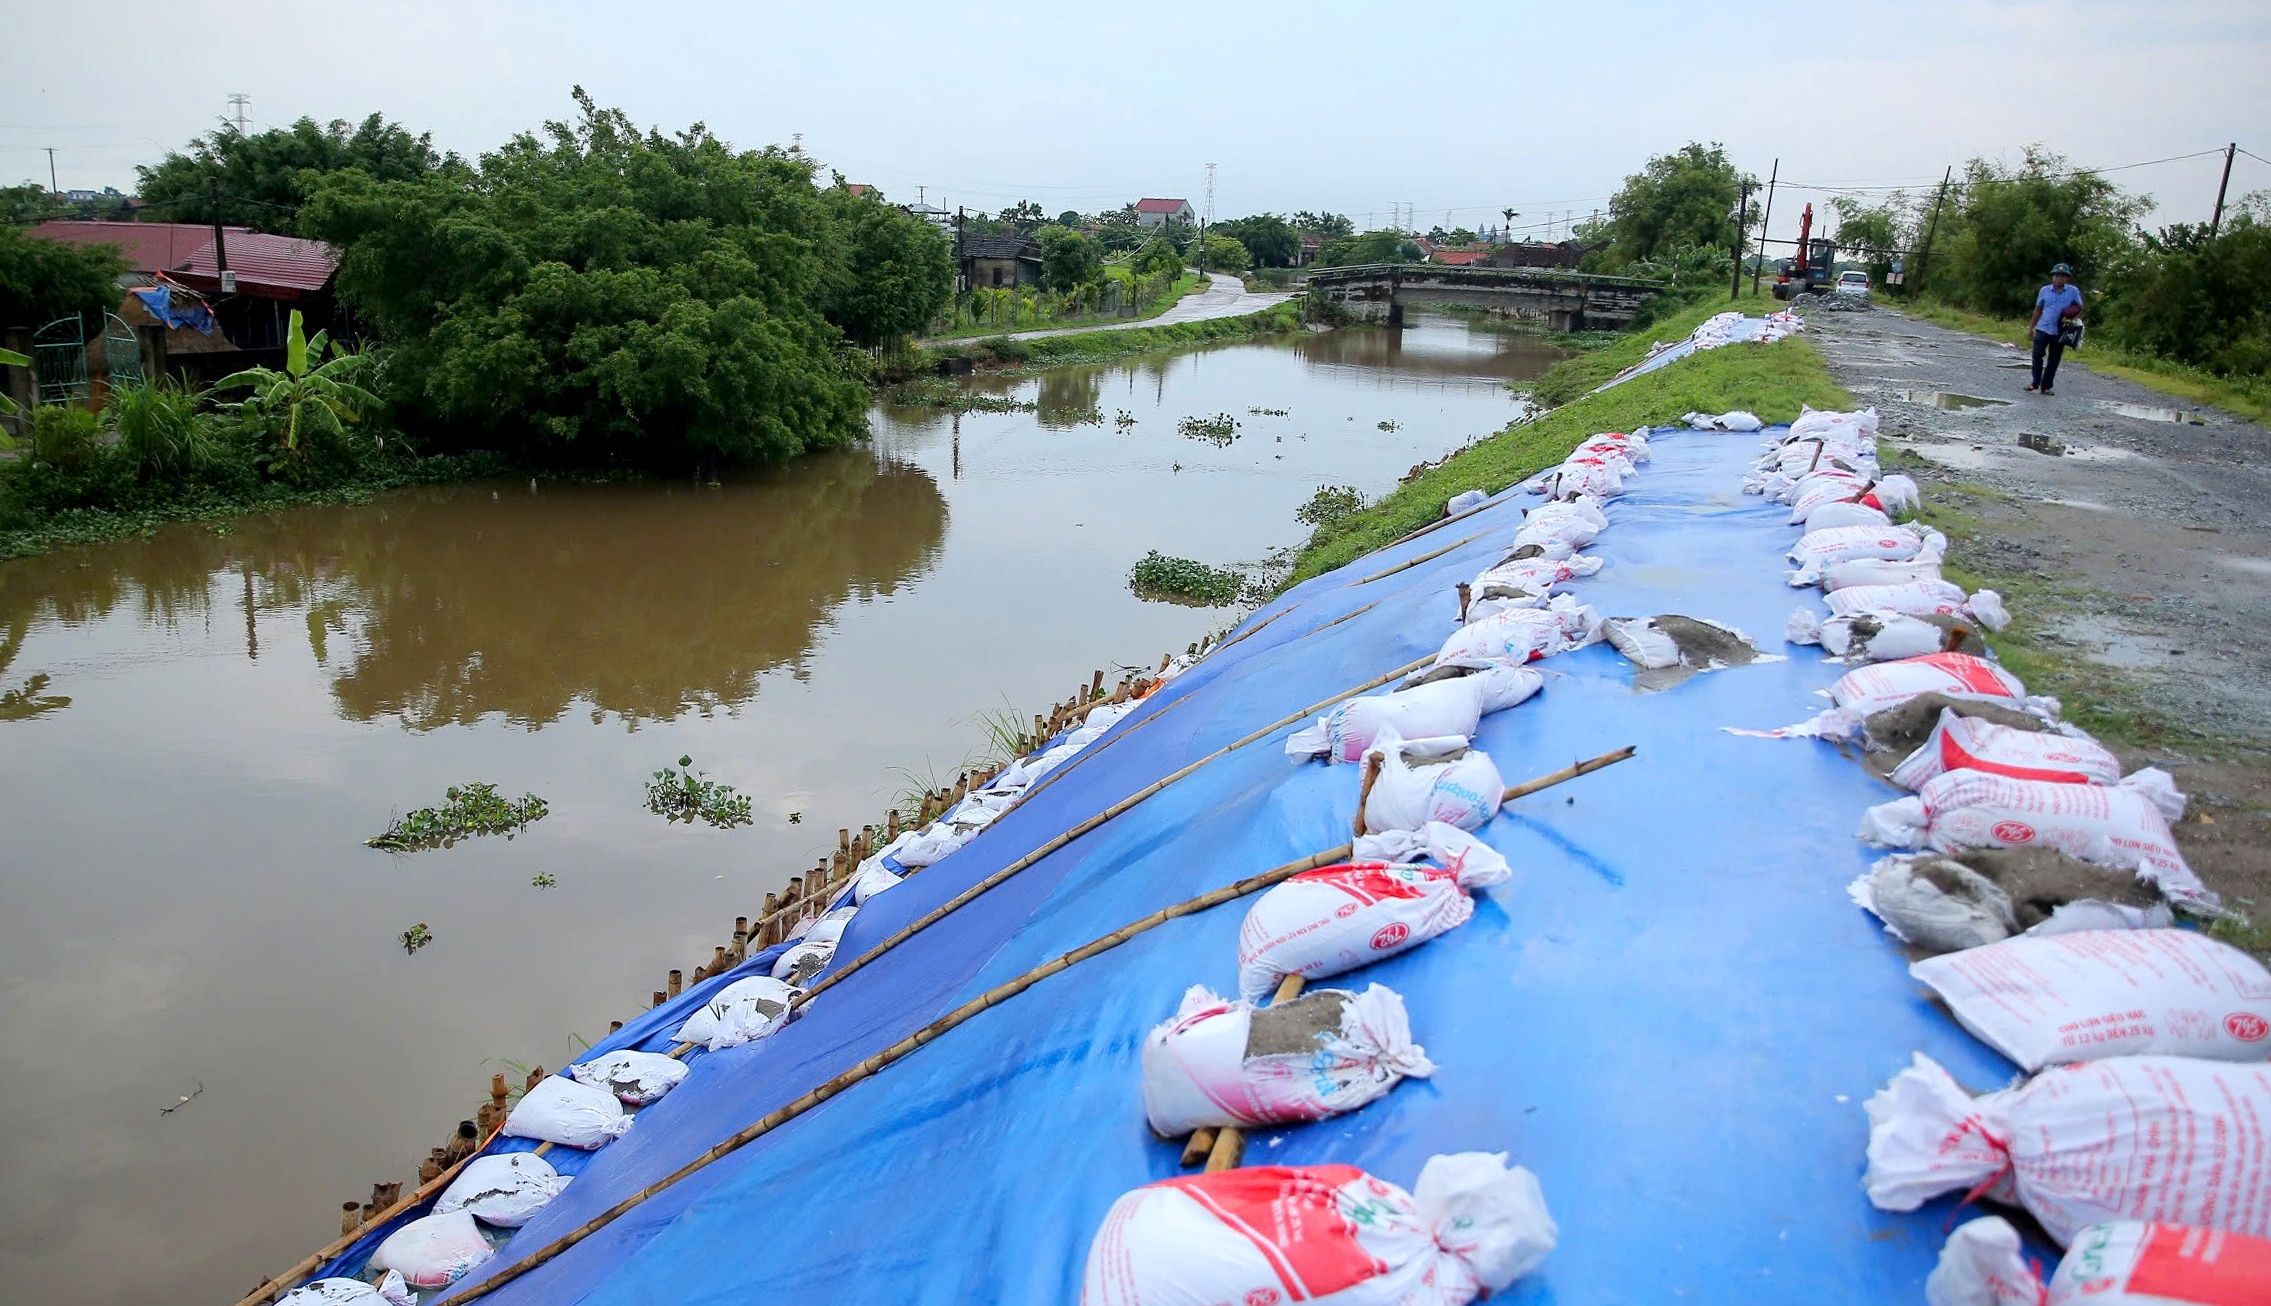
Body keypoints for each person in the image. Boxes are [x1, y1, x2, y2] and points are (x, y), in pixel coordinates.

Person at [2024, 263, 2084, 395]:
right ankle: (2035, 382)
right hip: (2043, 328)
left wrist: (2072, 320)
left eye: (2062, 276)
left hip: (2060, 330)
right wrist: (2031, 327)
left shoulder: (2073, 291)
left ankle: (2046, 386)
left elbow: (2080, 308)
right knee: (2037, 354)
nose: (2059, 278)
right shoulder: (2044, 290)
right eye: (2056, 275)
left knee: (2054, 359)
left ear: (2067, 278)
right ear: (2052, 277)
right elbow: (2038, 309)